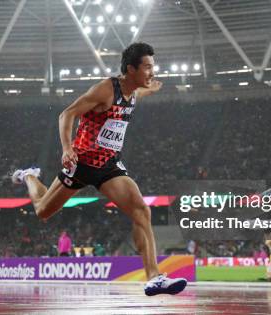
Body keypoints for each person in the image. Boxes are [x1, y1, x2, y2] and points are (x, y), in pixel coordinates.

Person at [12, 42, 187, 296]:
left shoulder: (134, 91)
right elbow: (66, 114)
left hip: (109, 165)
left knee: (141, 210)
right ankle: (29, 175)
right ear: (130, 69)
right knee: (42, 211)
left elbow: (140, 93)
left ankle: (154, 277)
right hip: (81, 163)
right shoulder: (106, 89)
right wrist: (66, 149)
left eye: (153, 67)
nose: (153, 72)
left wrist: (152, 88)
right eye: (148, 67)